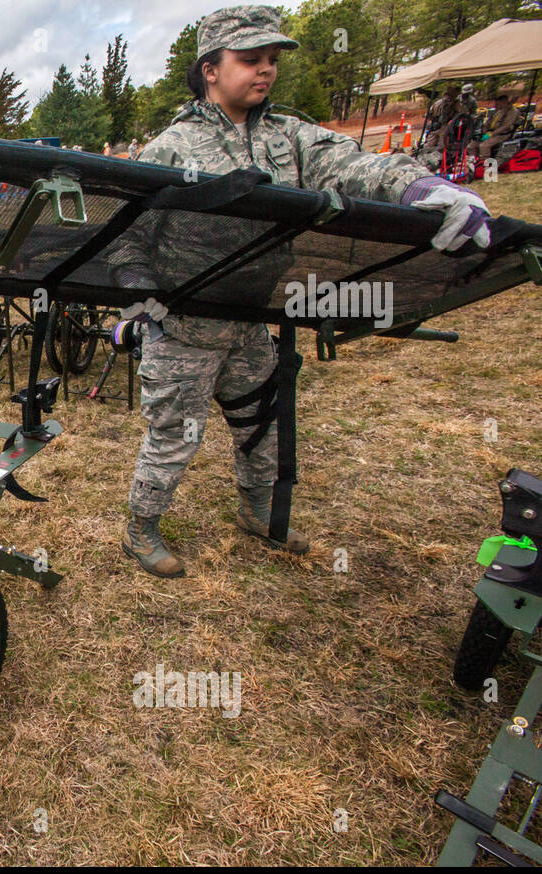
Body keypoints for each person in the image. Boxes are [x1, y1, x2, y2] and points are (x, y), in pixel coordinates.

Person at [118, 5, 492, 578]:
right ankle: (141, 529)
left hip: (252, 323)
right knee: (173, 439)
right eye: (250, 59)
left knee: (263, 428)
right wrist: (146, 308)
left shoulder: (289, 137)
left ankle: (259, 512)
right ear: (210, 69)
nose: (265, 70)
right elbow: (127, 240)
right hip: (184, 331)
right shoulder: (169, 149)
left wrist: (421, 186)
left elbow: (353, 164)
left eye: (271, 60)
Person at [474, 93, 521, 160]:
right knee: (472, 146)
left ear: (504, 102)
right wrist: (484, 130)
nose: (496, 106)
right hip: (490, 133)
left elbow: (506, 126)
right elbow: (488, 123)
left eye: (498, 104)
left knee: (483, 146)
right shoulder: (499, 111)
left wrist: (492, 134)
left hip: (502, 134)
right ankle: (473, 163)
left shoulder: (513, 112)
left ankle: (484, 164)